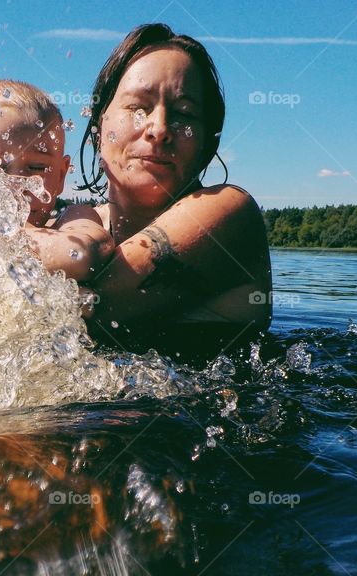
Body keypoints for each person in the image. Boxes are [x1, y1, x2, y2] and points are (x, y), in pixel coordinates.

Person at [78, 24, 272, 356]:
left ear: (206, 146)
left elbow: (75, 319)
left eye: (184, 113)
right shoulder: (77, 227)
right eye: (138, 108)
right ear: (99, 128)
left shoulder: (228, 212)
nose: (159, 129)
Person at [0, 79, 113, 282]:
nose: (18, 184)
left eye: (37, 168)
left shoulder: (72, 218)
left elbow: (86, 252)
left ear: (60, 176)